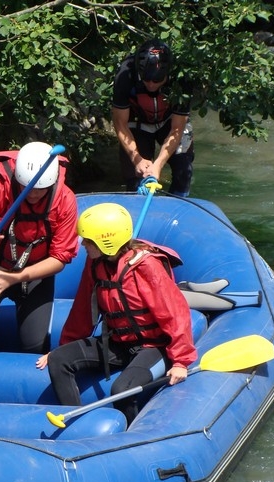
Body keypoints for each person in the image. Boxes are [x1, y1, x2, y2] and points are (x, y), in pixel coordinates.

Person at [38, 203, 196, 423]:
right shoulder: (95, 264)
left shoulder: (146, 266)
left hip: (154, 347)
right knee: (58, 360)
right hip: (117, 343)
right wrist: (65, 347)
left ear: (106, 242)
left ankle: (127, 440)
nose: (83, 244)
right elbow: (82, 310)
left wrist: (180, 361)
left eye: (88, 240)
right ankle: (79, 427)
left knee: (122, 390)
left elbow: (175, 313)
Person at [0, 141, 79, 354]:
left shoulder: (65, 199)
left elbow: (60, 258)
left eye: (39, 190)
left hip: (34, 273)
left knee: (35, 345)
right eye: (25, 188)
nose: (31, 194)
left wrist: (15, 277)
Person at [112, 39, 194, 196]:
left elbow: (177, 128)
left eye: (157, 80)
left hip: (169, 122)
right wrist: (137, 159)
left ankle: (176, 207)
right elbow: (120, 123)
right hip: (137, 123)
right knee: (136, 177)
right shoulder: (125, 75)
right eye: (146, 79)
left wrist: (158, 164)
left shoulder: (182, 79)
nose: (151, 84)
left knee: (184, 171)